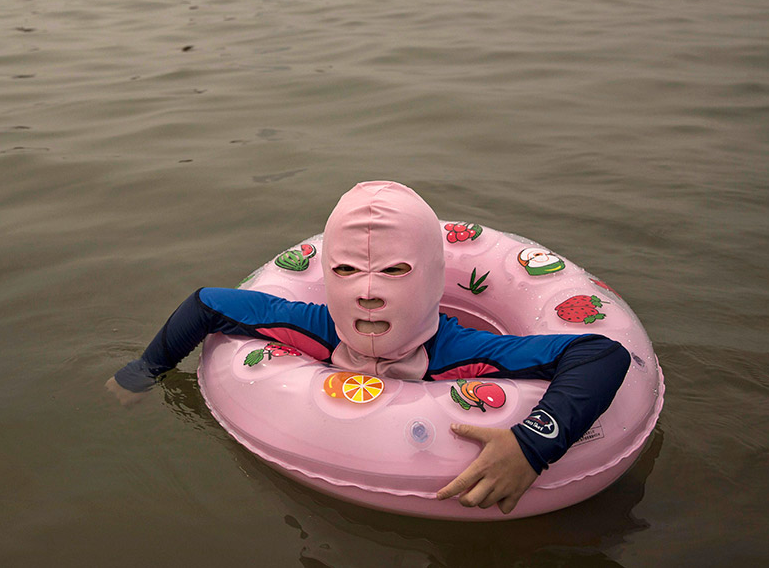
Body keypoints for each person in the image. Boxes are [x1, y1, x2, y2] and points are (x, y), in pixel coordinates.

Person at [107, 181, 630, 515]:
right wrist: (141, 372)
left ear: (430, 278)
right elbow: (206, 304)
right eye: (346, 270)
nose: (368, 290)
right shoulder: (313, 326)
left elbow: (601, 354)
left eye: (396, 270)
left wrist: (531, 445)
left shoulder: (466, 351)